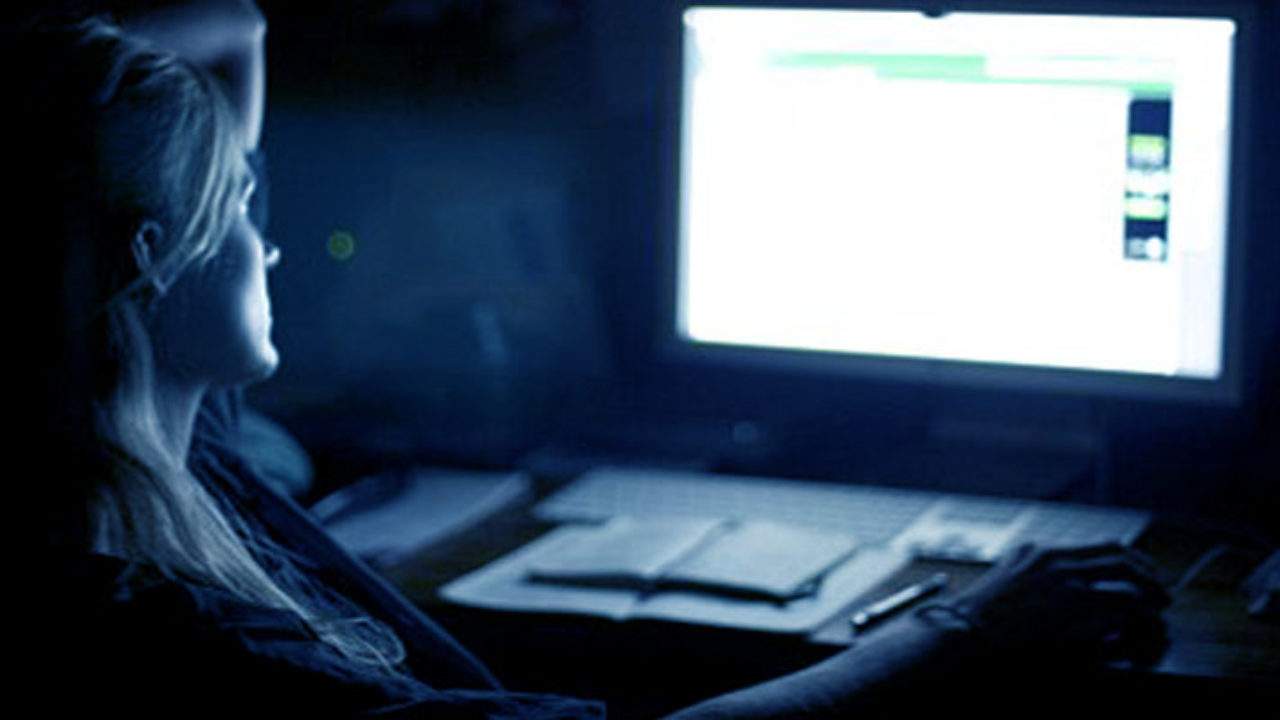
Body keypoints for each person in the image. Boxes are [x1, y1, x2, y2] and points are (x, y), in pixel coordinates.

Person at [20, 9, 1170, 718]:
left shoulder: (156, 438)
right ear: (148, 266)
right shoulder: (180, 631)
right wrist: (955, 631)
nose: (270, 239)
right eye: (236, 205)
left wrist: (68, 117)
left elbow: (233, 30)